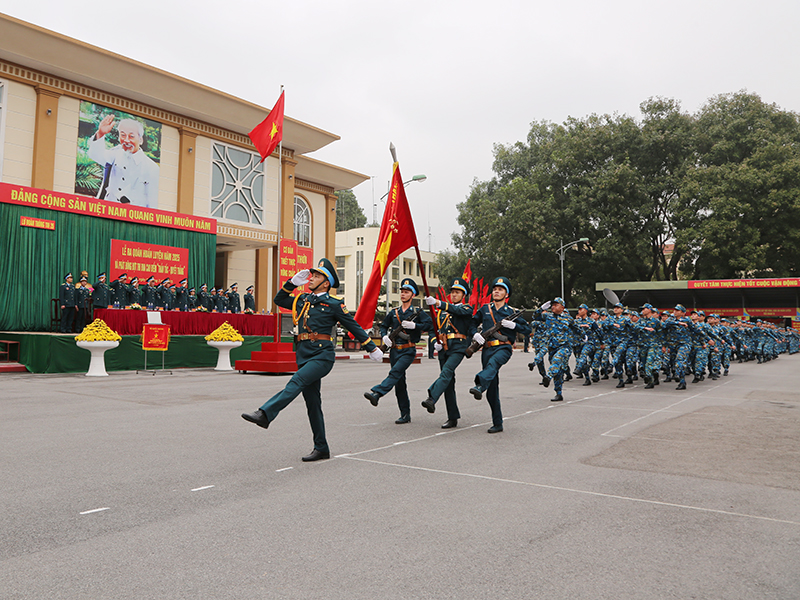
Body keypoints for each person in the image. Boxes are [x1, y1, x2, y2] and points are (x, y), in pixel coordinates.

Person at [242, 259, 383, 461]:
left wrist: (372, 347)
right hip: (303, 354)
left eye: (316, 276)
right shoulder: (302, 300)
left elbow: (354, 326)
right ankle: (321, 448)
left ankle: (265, 414)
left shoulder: (334, 304)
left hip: (322, 356)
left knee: (296, 381)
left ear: (326, 283)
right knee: (313, 404)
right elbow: (279, 300)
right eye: (312, 275)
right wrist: (291, 283)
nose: (311, 278)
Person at [365, 278, 432, 424]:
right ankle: (405, 414)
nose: (403, 294)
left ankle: (377, 393)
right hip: (395, 351)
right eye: (402, 291)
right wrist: (385, 337)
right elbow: (384, 325)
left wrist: (415, 326)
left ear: (412, 295)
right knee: (399, 382)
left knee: (395, 373)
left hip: (408, 350)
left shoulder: (417, 312)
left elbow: (430, 324)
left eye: (406, 292)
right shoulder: (394, 312)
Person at [468, 277, 530, 433]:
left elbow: (527, 329)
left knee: (493, 364)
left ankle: (479, 384)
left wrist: (514, 325)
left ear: (506, 294)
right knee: (493, 388)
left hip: (503, 348)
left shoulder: (512, 313)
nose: (496, 291)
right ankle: (497, 423)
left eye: (500, 289)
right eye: (495, 288)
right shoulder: (484, 309)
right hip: (487, 348)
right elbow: (472, 323)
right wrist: (475, 334)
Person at [421, 278, 475, 429]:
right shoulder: (440, 313)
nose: (454, 295)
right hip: (444, 348)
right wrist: (434, 342)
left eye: (457, 292)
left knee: (446, 372)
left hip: (458, 348)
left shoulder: (466, 309)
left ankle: (431, 398)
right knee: (448, 383)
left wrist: (438, 303)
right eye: (452, 292)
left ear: (463, 295)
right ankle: (452, 417)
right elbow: (434, 330)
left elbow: (456, 310)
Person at [88, 115, 159, 208]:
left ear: (140, 140)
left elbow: (152, 204)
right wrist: (100, 133)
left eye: (131, 136)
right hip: (107, 212)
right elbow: (95, 155)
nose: (126, 140)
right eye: (123, 135)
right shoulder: (114, 154)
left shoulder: (152, 168)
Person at [532, 297, 580, 402]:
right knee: (558, 372)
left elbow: (577, 329)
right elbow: (535, 317)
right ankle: (558, 393)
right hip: (552, 347)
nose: (553, 307)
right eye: (552, 305)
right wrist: (541, 308)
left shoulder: (568, 319)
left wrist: (584, 337)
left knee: (556, 361)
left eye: (556, 305)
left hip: (564, 347)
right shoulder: (548, 316)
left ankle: (547, 377)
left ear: (562, 307)